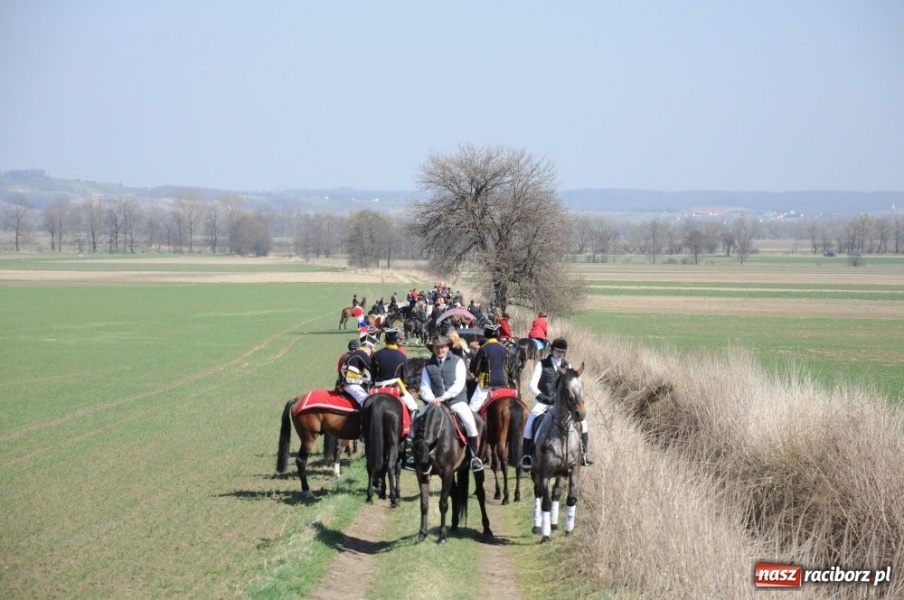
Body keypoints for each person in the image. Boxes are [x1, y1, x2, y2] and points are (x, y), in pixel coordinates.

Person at [521, 338, 594, 468]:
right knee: (529, 423)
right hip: (544, 403)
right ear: (552, 350)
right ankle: (526, 455)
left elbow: (575, 385)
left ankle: (584, 454)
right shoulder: (542, 364)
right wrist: (542, 396)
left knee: (584, 423)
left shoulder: (568, 366)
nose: (559, 354)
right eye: (557, 351)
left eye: (562, 352)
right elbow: (531, 386)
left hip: (563, 406)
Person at [419, 334, 484, 472]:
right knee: (417, 420)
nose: (440, 350)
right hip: (435, 403)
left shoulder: (458, 361)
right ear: (433, 349)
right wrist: (432, 399)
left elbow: (459, 384)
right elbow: (424, 386)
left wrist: (444, 397)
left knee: (470, 423)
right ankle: (418, 456)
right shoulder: (428, 366)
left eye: (442, 347)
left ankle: (474, 457)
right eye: (437, 347)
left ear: (447, 347)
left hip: (456, 401)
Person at [370, 328, 419, 418]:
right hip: (395, 386)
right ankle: (411, 430)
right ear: (396, 340)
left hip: (378, 386)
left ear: (385, 340)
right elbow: (404, 378)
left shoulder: (376, 355)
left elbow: (372, 375)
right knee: (414, 407)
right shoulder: (402, 356)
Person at [468, 324, 510, 412]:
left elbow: (476, 368)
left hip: (486, 381)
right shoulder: (504, 349)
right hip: (502, 382)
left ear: (486, 334)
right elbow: (506, 367)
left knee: (472, 408)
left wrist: (475, 374)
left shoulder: (483, 348)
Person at [341, 333, 378, 407]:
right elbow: (372, 367)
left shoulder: (356, 353)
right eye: (371, 350)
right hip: (350, 384)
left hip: (350, 382)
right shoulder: (361, 354)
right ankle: (363, 418)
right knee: (366, 400)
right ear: (368, 348)